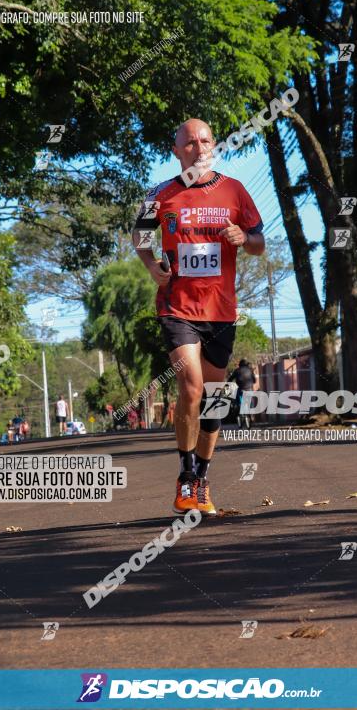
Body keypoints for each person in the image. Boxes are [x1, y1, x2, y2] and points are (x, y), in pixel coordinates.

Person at [133, 118, 265, 515]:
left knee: (215, 401)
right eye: (189, 143)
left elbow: (259, 242)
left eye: (205, 140)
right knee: (190, 386)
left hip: (221, 312)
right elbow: (139, 233)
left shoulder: (234, 191)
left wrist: (245, 239)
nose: (198, 147)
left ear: (215, 146)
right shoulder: (161, 194)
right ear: (176, 151)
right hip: (177, 307)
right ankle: (186, 472)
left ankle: (202, 479)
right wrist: (151, 265)